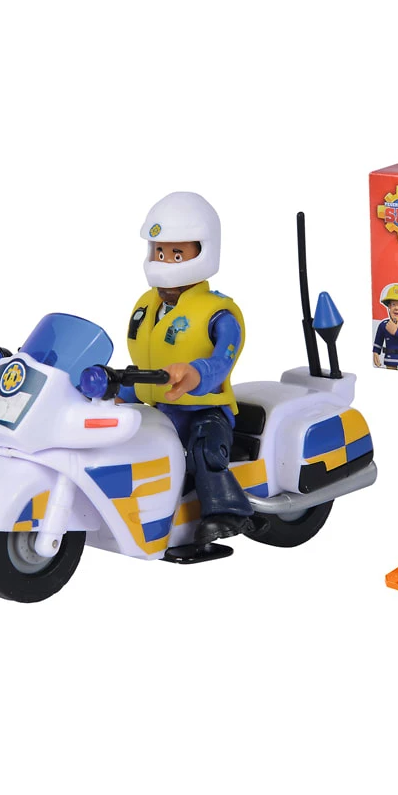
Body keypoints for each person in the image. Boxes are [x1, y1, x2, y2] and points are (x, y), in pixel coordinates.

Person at [123, 192, 258, 563]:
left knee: (204, 447)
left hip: (205, 409)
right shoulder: (147, 306)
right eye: (160, 252)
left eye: (177, 254)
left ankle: (226, 512)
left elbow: (222, 361)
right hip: (159, 409)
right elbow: (143, 365)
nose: (165, 261)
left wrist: (196, 373)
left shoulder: (219, 314)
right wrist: (116, 389)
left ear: (203, 250)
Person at [373, 284, 398, 369]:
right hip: (390, 359)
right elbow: (378, 341)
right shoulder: (383, 324)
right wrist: (375, 352)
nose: (396, 308)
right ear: (389, 307)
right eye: (393, 305)